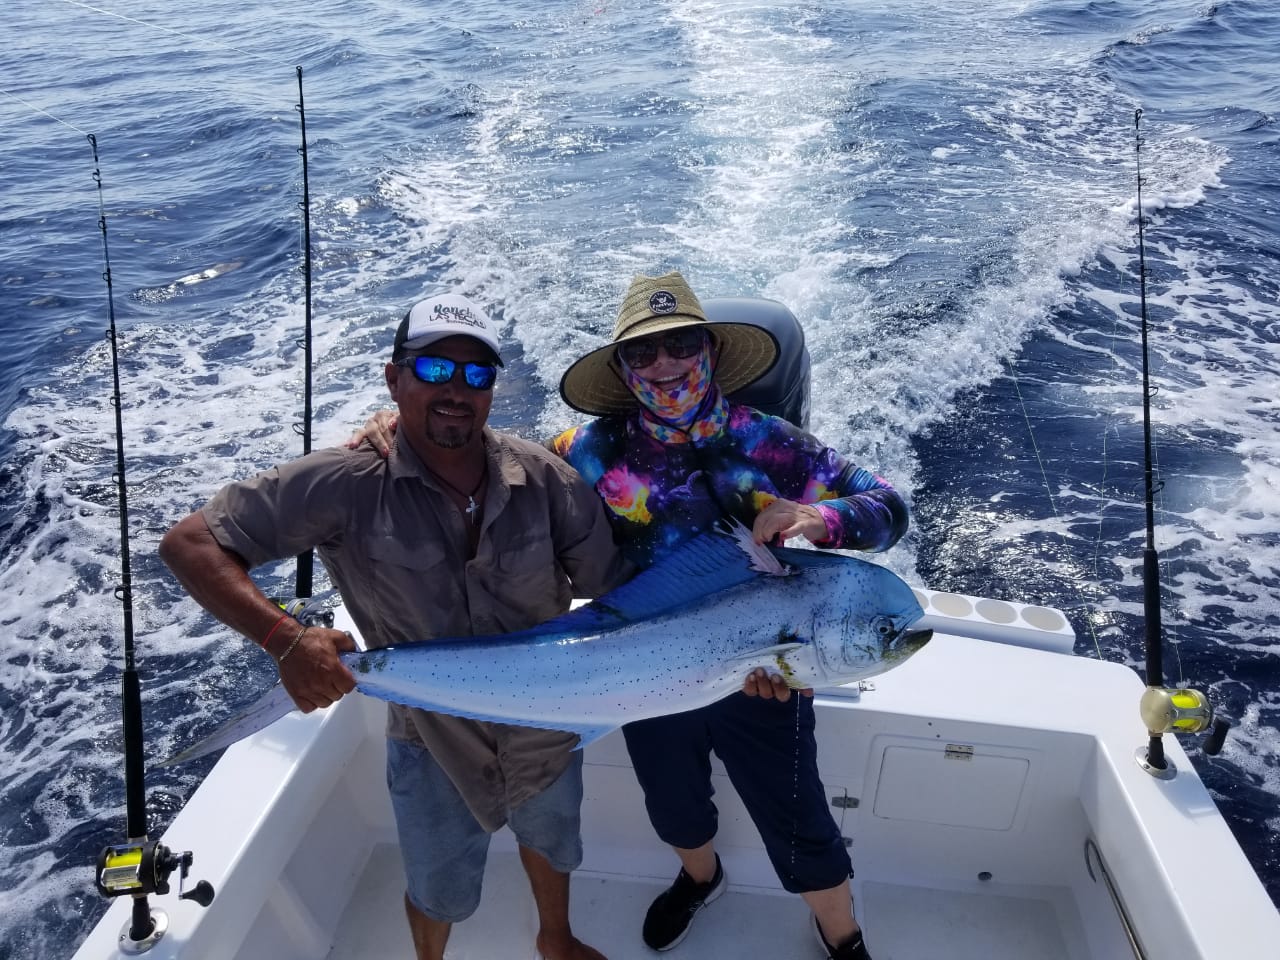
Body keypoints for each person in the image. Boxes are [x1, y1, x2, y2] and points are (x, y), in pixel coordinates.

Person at [352, 273, 909, 959]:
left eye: (680, 344)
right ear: (621, 369)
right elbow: (486, 458)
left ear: (709, 349)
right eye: (642, 354)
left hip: (765, 664)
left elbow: (889, 510)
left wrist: (817, 515)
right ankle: (700, 879)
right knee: (673, 804)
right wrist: (396, 428)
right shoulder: (589, 452)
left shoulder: (772, 445)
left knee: (799, 818)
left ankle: (842, 934)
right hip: (645, 672)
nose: (664, 364)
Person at [159, 293, 633, 960]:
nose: (457, 390)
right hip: (431, 741)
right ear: (394, 378)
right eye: (435, 369)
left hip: (545, 726)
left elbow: (618, 594)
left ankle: (556, 940)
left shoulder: (547, 479)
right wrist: (286, 638)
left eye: (476, 375)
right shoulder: (347, 481)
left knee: (554, 843)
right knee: (441, 889)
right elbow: (190, 545)